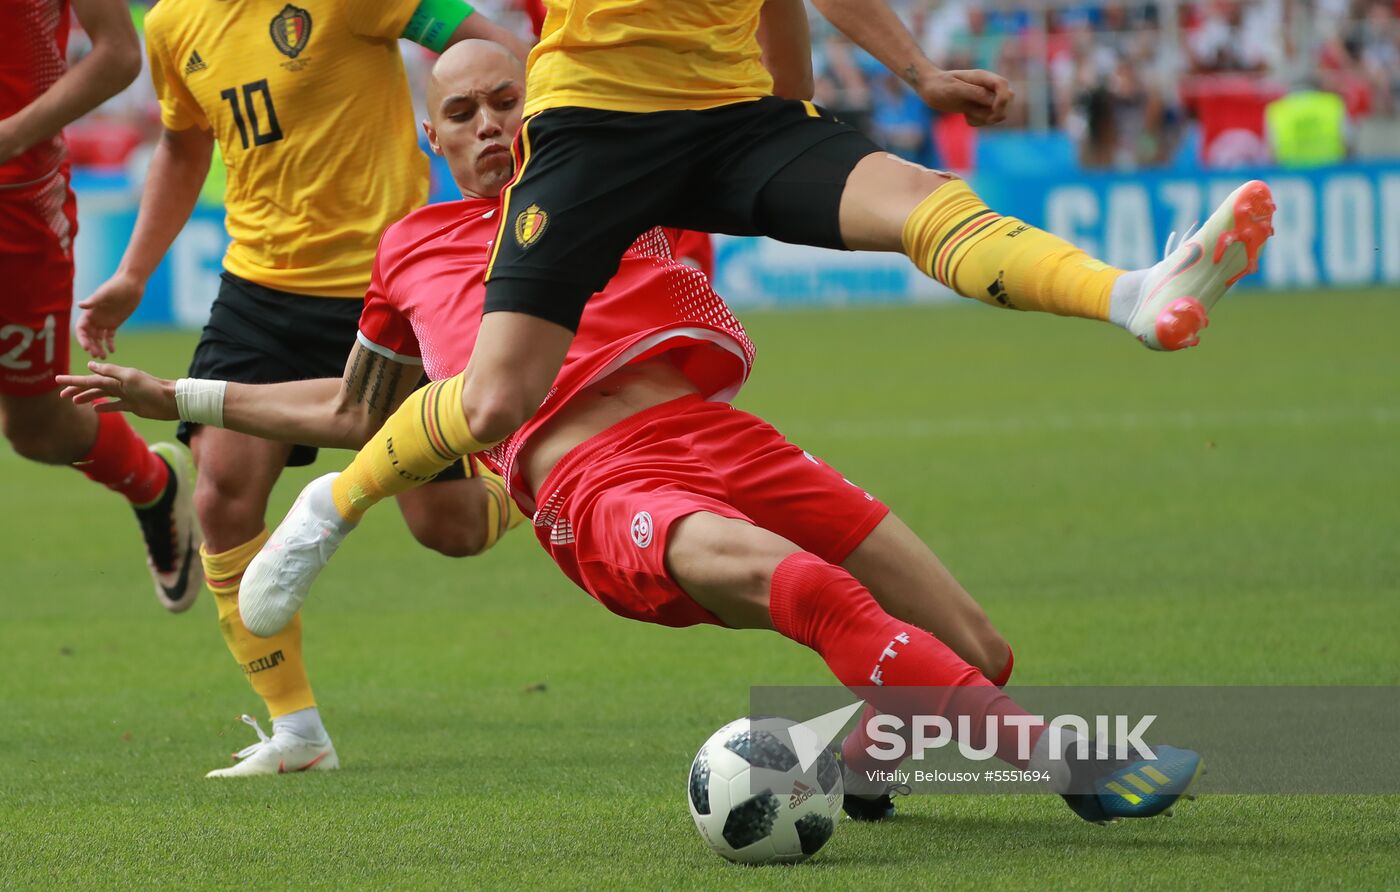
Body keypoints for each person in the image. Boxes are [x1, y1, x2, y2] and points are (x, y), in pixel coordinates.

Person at [62, 41, 1202, 825]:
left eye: (505, 100)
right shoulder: (407, 250)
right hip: (598, 489)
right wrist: (185, 398)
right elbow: (362, 411)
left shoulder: (628, 167)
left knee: (978, 652)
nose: (489, 124)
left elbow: (779, 98)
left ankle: (847, 765)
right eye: (462, 113)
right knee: (808, 589)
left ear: (544, 102)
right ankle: (1069, 764)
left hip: (726, 440)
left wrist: (892, 64)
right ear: (431, 136)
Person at [250, 0, 1277, 599]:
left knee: (919, 199)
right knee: (494, 400)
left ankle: (1129, 294)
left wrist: (902, 79)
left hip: (728, 113)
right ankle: (329, 506)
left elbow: (789, 39)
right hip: (593, 125)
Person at [72, 0, 530, 778]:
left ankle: (532, 469)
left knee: (449, 528)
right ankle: (297, 732)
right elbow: (183, 148)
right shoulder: (172, 26)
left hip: (389, 288)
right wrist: (133, 273)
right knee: (221, 492)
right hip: (260, 291)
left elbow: (497, 50)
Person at [0, 0, 198, 611]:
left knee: (36, 429)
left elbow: (117, 54)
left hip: (14, 200)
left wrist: (9, 137)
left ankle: (154, 484)